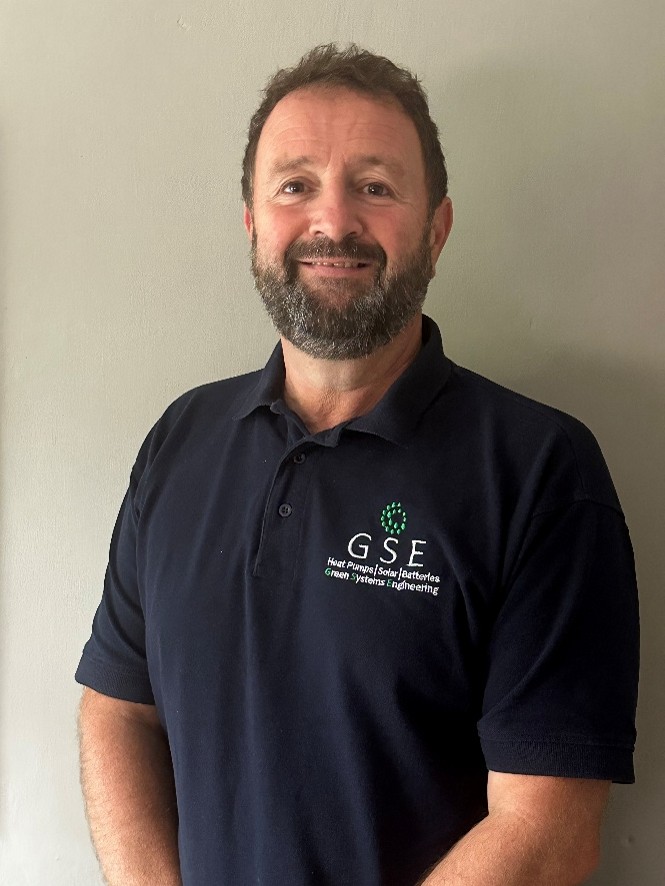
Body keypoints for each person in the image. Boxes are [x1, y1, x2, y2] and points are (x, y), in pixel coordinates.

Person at [76, 44, 639, 886]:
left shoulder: (539, 473)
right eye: (294, 185)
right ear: (252, 223)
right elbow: (119, 708)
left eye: (375, 186)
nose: (333, 222)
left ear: (436, 229)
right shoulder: (180, 438)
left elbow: (545, 832)